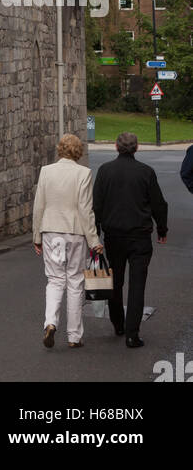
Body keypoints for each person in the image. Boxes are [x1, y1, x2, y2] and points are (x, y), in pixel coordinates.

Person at [94, 132, 168, 348]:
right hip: (140, 236)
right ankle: (132, 334)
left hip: (113, 236)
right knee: (137, 285)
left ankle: (118, 323)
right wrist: (162, 229)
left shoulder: (105, 171)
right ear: (136, 148)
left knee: (115, 282)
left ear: (116, 147)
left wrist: (95, 234)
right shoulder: (146, 172)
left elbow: (97, 205)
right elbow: (158, 204)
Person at [32, 133, 102, 350]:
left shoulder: (46, 171)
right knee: (74, 281)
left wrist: (36, 236)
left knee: (54, 280)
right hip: (74, 232)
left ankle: (50, 322)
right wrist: (94, 240)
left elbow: (39, 206)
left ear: (60, 149)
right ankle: (74, 336)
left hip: (51, 231)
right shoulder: (83, 173)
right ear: (78, 152)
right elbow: (85, 209)